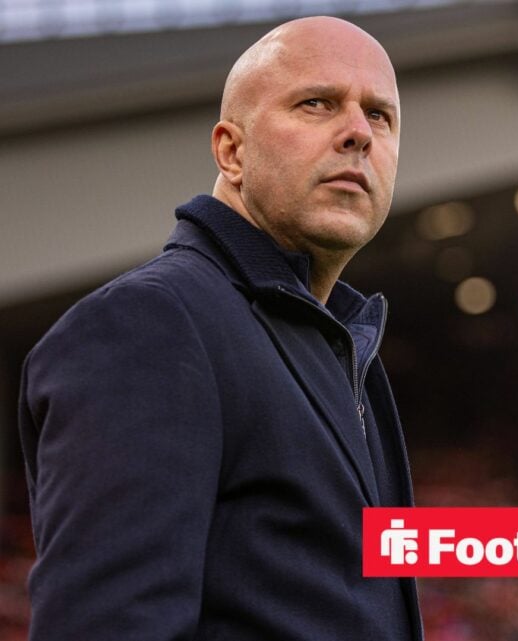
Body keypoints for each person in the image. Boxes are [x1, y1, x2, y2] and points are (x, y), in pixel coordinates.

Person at [17, 16, 421, 640]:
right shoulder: (149, 325)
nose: (358, 134)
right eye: (316, 104)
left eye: (379, 115)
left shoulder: (344, 347)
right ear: (232, 151)